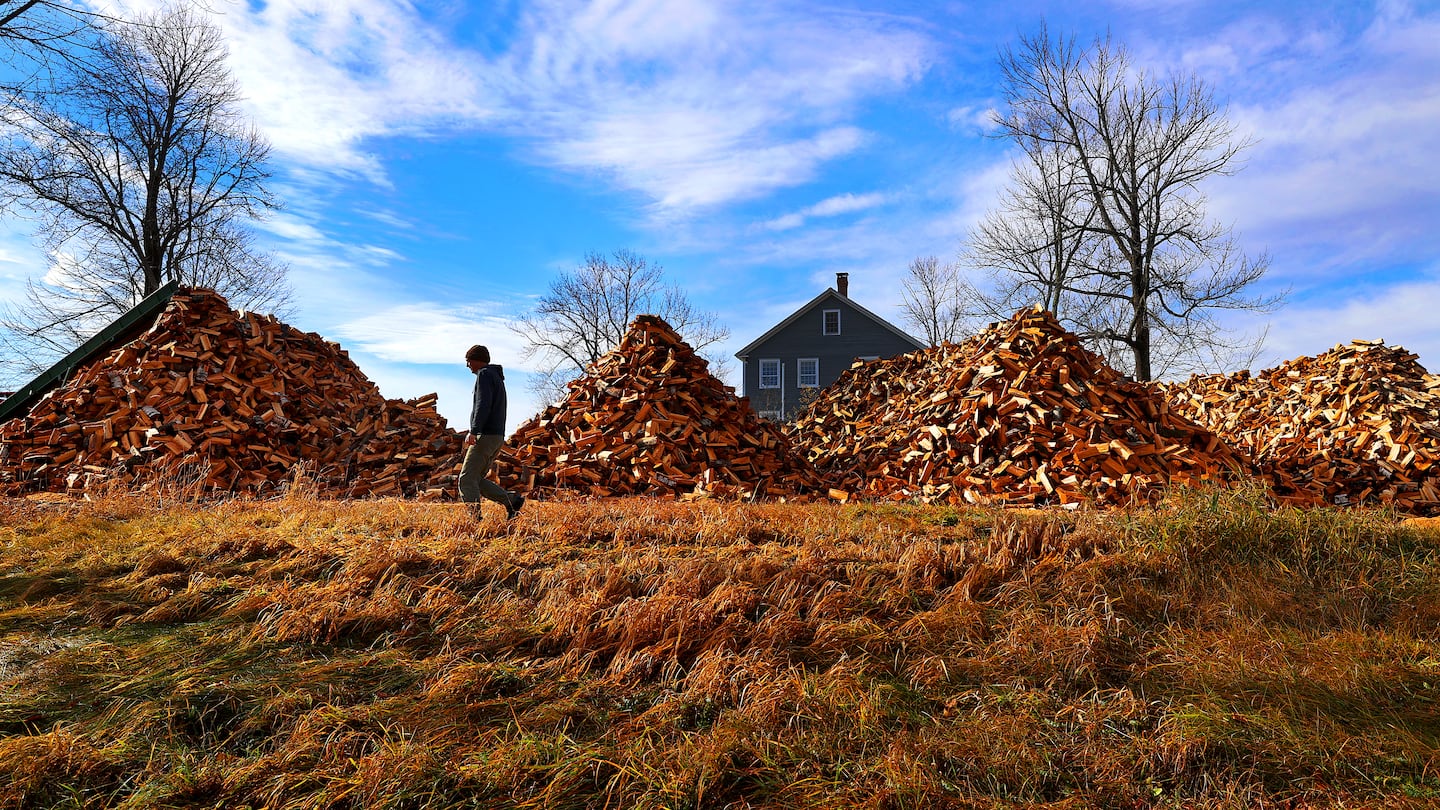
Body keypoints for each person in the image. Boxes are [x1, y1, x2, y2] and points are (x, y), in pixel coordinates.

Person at [459, 344, 524, 521]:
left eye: (469, 361)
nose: (467, 366)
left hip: (485, 436)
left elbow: (483, 404)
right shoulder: (496, 377)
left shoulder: (485, 375)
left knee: (466, 479)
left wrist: (474, 430)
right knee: (476, 479)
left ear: (477, 360)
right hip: (496, 436)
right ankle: (512, 501)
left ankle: (474, 521)